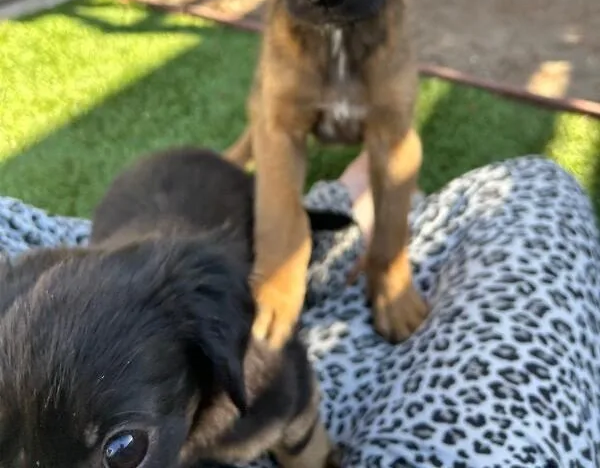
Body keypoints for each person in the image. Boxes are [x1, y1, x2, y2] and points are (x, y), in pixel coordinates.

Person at [1, 154, 598, 467]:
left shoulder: (250, 384)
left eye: (122, 452)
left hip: (216, 196)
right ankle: (356, 184)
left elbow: (287, 394)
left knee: (296, 241)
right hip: (139, 212)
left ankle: (357, 192)